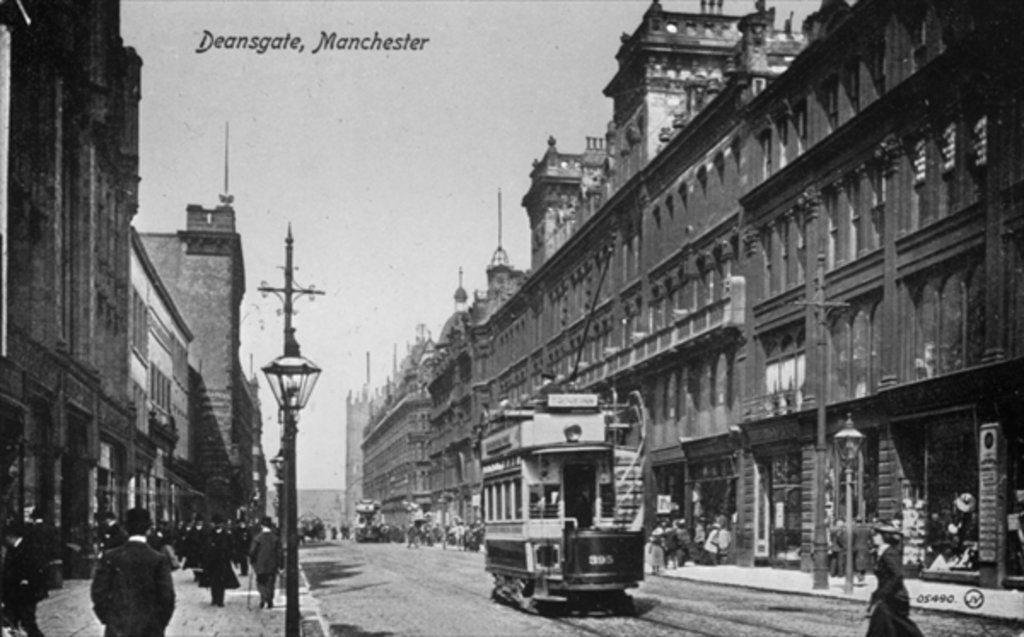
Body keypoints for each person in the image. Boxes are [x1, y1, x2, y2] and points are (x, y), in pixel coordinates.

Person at [90, 508, 175, 637]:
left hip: (118, 627)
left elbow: (98, 592)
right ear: (148, 529)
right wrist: (159, 623)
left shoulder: (110, 557)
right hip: (150, 628)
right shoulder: (158, 559)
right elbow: (167, 596)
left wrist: (109, 618)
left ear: (126, 528)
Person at [865, 522, 924, 637]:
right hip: (890, 597)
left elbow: (897, 575)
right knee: (891, 628)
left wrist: (883, 593)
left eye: (876, 535)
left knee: (898, 627)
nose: (874, 537)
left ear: (884, 537)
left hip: (894, 597)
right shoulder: (883, 552)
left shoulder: (889, 553)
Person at [2, 521, 48, 637]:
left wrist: (27, 581)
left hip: (26, 594)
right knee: (12, 624)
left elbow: (37, 569)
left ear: (11, 536)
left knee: (28, 623)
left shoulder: (29, 547)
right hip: (14, 594)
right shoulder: (13, 549)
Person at [200, 513, 240, 607]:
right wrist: (203, 560)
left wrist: (235, 560)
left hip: (223, 562)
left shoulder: (227, 535)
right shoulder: (209, 534)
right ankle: (214, 599)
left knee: (221, 581)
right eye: (216, 523)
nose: (218, 525)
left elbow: (232, 548)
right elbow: (204, 548)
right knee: (213, 581)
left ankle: (220, 600)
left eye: (219, 523)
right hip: (212, 562)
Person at [248, 517, 282, 610]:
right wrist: (280, 565)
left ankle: (263, 598)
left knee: (261, 582)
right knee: (270, 583)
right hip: (272, 565)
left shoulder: (257, 538)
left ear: (261, 526)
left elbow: (252, 552)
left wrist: (252, 560)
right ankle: (269, 599)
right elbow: (279, 553)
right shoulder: (275, 538)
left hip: (260, 565)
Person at [852, 517, 873, 586]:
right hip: (865, 547)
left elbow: (852, 540)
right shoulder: (867, 529)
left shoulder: (854, 529)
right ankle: (862, 578)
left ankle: (859, 578)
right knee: (863, 563)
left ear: (856, 521)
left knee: (857, 563)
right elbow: (871, 539)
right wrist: (871, 547)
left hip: (856, 547)